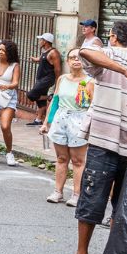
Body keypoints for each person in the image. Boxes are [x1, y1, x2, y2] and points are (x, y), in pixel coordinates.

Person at [68, 21, 127, 254]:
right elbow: (84, 53)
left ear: (113, 36)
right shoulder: (108, 54)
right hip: (103, 141)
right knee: (92, 198)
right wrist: (125, 71)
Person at [41, 48, 94, 206]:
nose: (76, 60)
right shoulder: (62, 79)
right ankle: (58, 191)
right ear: (68, 61)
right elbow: (55, 102)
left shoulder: (90, 81)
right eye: (72, 57)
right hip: (61, 119)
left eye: (79, 58)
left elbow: (92, 107)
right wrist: (46, 123)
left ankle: (77, 194)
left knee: (78, 161)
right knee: (61, 158)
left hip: (79, 119)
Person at [27, 33, 62, 126]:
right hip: (41, 78)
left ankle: (50, 97)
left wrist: (58, 81)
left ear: (45, 41)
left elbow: (57, 69)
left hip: (47, 79)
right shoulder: (46, 52)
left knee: (31, 94)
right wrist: (34, 59)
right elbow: (41, 59)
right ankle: (38, 120)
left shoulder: (54, 53)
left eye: (41, 40)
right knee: (40, 101)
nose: (39, 42)